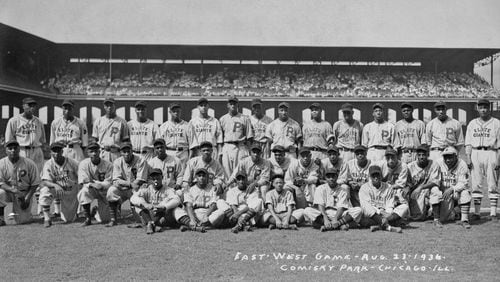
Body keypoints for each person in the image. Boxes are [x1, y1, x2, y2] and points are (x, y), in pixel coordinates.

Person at [465, 99, 500, 221]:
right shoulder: (472, 123)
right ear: (477, 108)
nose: (483, 109)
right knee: (476, 183)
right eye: (481, 107)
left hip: (492, 152)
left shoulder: (496, 123)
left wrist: (499, 160)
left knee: (492, 183)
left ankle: (493, 213)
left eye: (485, 107)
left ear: (489, 108)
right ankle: (477, 212)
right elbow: (468, 143)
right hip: (475, 153)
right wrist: (468, 158)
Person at [130, 168, 189, 234]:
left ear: (162, 178)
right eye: (153, 179)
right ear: (150, 180)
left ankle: (150, 225)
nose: (156, 181)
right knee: (139, 203)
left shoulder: (168, 189)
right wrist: (145, 204)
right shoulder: (146, 189)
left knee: (171, 203)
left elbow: (177, 200)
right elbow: (133, 198)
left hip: (163, 216)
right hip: (150, 215)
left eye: (158, 178)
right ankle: (151, 224)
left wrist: (164, 207)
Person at [106, 142, 149, 227]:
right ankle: (113, 219)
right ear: (120, 152)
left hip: (137, 188)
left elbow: (141, 179)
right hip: (123, 188)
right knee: (111, 191)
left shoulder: (141, 160)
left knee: (139, 220)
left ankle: (138, 217)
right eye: (124, 151)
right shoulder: (117, 162)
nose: (126, 154)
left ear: (132, 151)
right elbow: (116, 179)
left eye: (128, 151)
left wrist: (131, 186)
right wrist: (129, 184)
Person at [39, 142, 80, 227]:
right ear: (51, 152)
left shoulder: (72, 162)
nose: (56, 153)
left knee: (69, 219)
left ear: (62, 151)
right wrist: (55, 185)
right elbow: (45, 181)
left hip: (70, 191)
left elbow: (81, 177)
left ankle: (87, 211)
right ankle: (47, 218)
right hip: (57, 190)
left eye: (58, 151)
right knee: (45, 190)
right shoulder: (48, 164)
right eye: (54, 151)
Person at [0, 140, 40, 225]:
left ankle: (26, 214)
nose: (13, 150)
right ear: (6, 150)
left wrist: (27, 198)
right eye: (10, 148)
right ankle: (1, 218)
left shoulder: (29, 163)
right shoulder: (1, 163)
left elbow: (35, 183)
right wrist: (12, 190)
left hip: (23, 193)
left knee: (22, 221)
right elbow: (0, 182)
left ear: (19, 150)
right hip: (8, 192)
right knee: (0, 193)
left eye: (15, 148)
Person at [359, 165, 409, 233]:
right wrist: (379, 212)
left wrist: (387, 214)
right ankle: (388, 227)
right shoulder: (364, 187)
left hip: (386, 214)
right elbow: (367, 206)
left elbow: (390, 204)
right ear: (370, 177)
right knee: (365, 207)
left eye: (377, 175)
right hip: (373, 214)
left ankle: (379, 225)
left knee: (404, 207)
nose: (376, 178)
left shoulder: (388, 187)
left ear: (381, 175)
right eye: (373, 176)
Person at [5, 97, 46, 174]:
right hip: (22, 150)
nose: (32, 107)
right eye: (29, 105)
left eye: (34, 105)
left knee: (37, 176)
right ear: (23, 106)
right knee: (22, 176)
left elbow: (42, 140)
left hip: (37, 150)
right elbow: (9, 141)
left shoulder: (39, 121)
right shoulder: (14, 121)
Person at [77, 142, 113, 226]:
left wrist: (100, 184)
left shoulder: (108, 164)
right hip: (92, 189)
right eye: (91, 151)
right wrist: (93, 184)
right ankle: (87, 218)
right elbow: (84, 181)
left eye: (96, 151)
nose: (94, 153)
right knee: (83, 192)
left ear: (99, 152)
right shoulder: (83, 164)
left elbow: (109, 182)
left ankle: (96, 211)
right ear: (87, 153)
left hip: (104, 191)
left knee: (104, 219)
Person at [436, 146, 472, 229]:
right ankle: (455, 211)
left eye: (450, 157)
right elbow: (434, 180)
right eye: (446, 157)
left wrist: (452, 189)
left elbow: (464, 183)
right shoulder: (438, 163)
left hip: (456, 192)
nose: (448, 160)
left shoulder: (462, 164)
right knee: (443, 218)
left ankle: (464, 220)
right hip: (444, 192)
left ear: (456, 156)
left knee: (465, 193)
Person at [406, 145, 442, 225]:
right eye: (419, 155)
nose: (421, 157)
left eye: (424, 155)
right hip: (416, 193)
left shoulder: (434, 164)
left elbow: (435, 182)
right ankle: (427, 211)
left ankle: (436, 219)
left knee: (435, 190)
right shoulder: (410, 167)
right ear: (416, 156)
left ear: (428, 155)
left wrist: (421, 187)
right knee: (418, 218)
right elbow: (407, 184)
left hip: (428, 190)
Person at [219, 96, 254, 179]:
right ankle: (229, 191)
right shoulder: (223, 119)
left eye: (234, 103)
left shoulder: (244, 118)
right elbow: (220, 138)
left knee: (240, 171)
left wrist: (249, 151)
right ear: (227, 105)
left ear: (238, 105)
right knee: (226, 171)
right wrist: (220, 152)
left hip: (240, 146)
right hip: (227, 146)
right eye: (231, 104)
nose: (233, 105)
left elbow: (249, 137)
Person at [92, 98, 129, 163]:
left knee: (116, 172)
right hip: (102, 152)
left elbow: (125, 140)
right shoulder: (98, 121)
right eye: (107, 105)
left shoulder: (122, 122)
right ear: (104, 107)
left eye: (111, 105)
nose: (109, 107)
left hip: (116, 152)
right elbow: (95, 140)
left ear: (115, 106)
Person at [159, 102, 193, 166]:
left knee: (183, 175)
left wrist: (189, 159)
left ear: (180, 111)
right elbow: (160, 143)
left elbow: (192, 145)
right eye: (174, 111)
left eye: (178, 111)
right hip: (169, 151)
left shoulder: (187, 125)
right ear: (170, 112)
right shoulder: (164, 126)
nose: (176, 113)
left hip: (183, 153)